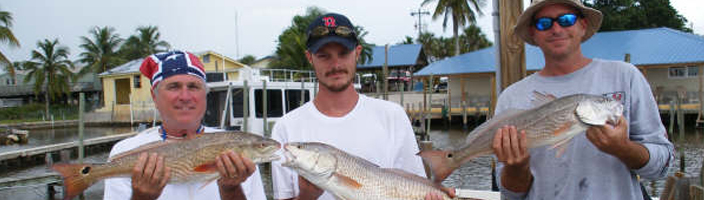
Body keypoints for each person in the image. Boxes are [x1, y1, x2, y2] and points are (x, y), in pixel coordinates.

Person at [491, 0, 674, 199]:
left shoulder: (625, 76)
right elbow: (509, 194)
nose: (556, 28)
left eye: (566, 20)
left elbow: (661, 167)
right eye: (544, 23)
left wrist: (623, 148)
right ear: (533, 32)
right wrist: (516, 167)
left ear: (583, 25)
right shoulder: (511, 97)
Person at [270, 13, 432, 200]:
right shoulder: (286, 129)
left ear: (357, 52)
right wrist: (306, 197)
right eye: (324, 56)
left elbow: (415, 186)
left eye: (343, 53)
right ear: (310, 58)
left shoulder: (393, 116)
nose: (336, 64)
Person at [104, 50, 266, 200]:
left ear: (205, 95)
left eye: (193, 87)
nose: (185, 96)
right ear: (155, 96)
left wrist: (231, 189)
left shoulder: (237, 147)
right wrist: (141, 197)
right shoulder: (124, 152)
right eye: (174, 87)